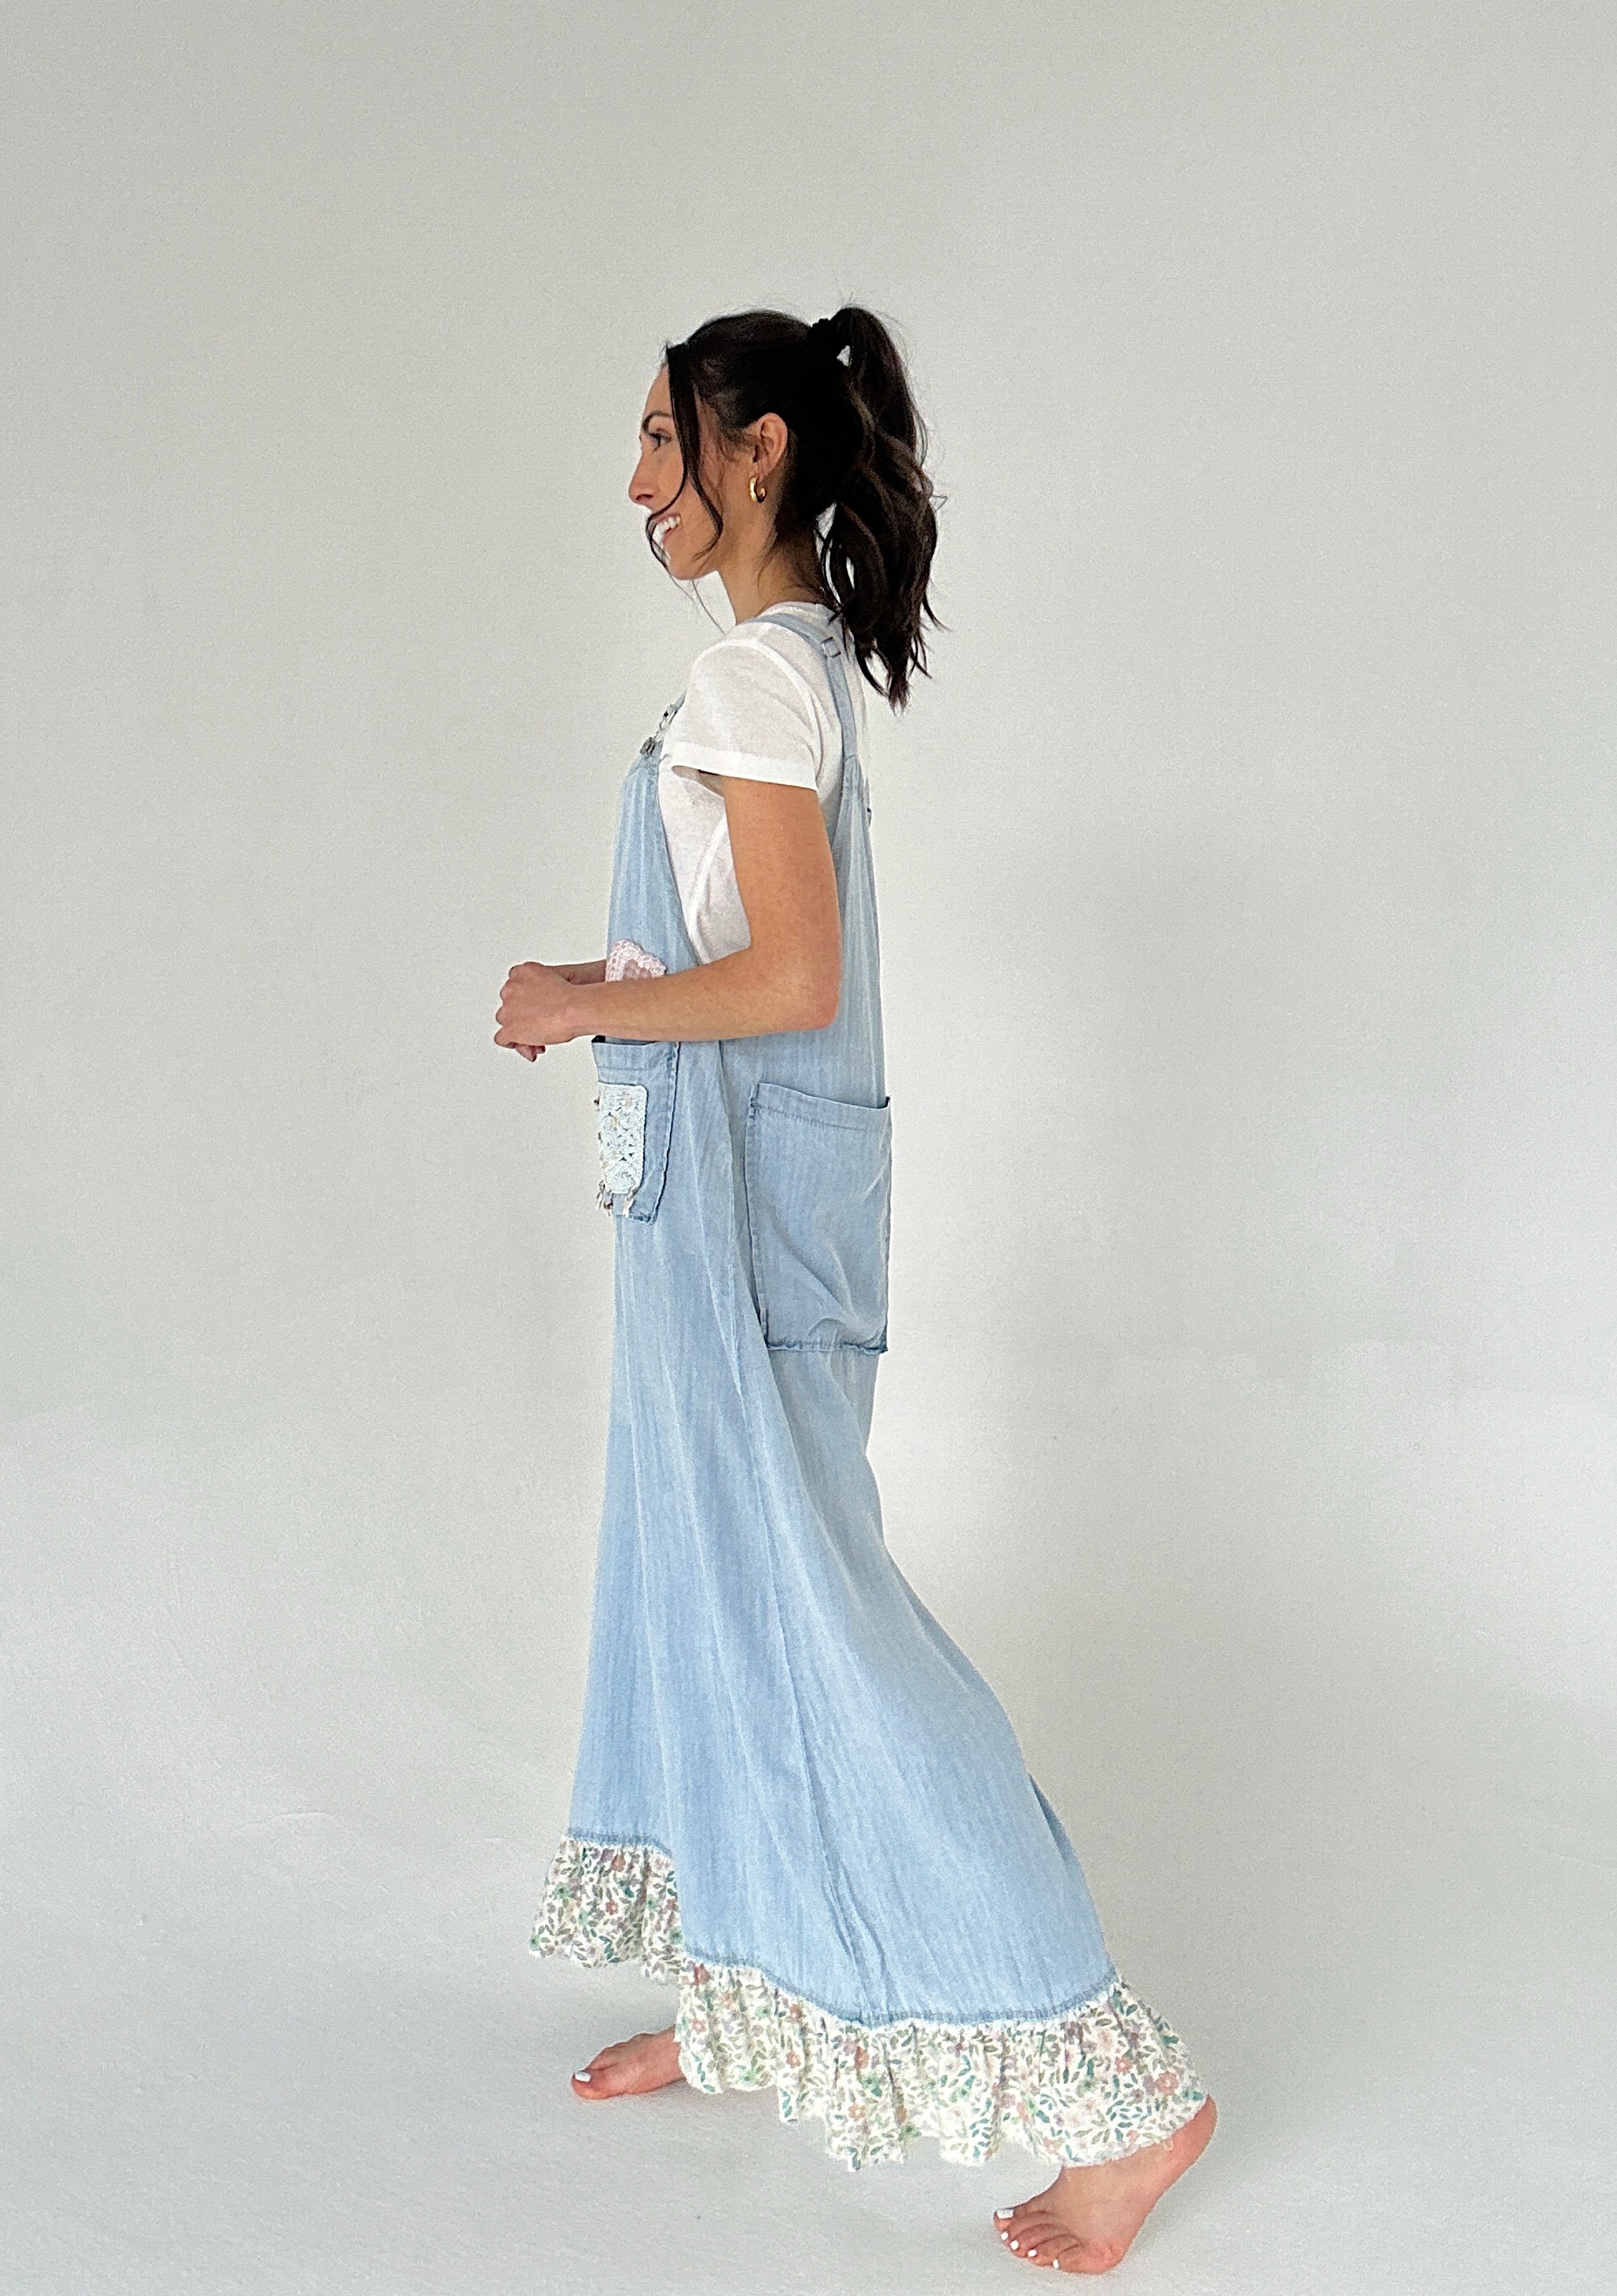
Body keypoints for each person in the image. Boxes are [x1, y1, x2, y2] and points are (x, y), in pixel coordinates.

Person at [495, 306, 1217, 2274]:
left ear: (759, 449)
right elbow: (748, 954)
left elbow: (792, 980)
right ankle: (748, 1991)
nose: (639, 481)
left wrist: (580, 997)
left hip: (738, 1241)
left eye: (664, 437)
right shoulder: (786, 671)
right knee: (714, 1604)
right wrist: (625, 988)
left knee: (822, 1635)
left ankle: (1129, 2107)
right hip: (739, 1221)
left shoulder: (749, 677)